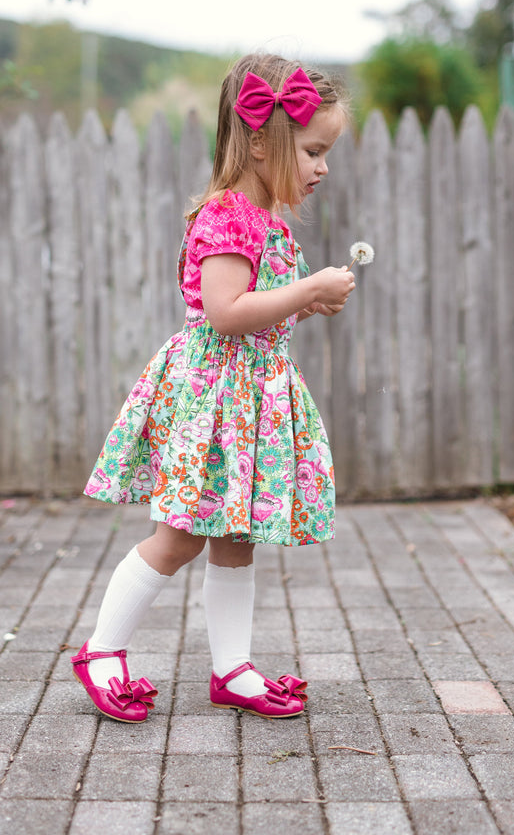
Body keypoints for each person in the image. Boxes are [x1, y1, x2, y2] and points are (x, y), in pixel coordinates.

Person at [72, 52, 355, 722]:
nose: (322, 167)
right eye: (314, 151)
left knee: (236, 536)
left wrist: (300, 301)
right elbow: (226, 312)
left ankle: (232, 669)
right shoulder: (227, 217)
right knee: (181, 535)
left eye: (326, 153)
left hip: (249, 399)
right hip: (215, 401)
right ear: (261, 141)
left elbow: (260, 303)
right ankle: (102, 652)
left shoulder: (271, 223)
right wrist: (307, 289)